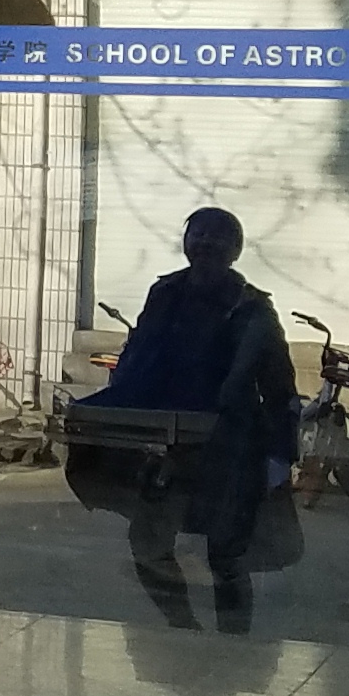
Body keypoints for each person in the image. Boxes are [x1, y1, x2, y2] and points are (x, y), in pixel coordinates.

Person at [84, 206, 300, 634]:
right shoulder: (164, 294)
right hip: (167, 445)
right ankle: (183, 629)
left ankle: (232, 645)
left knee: (227, 556)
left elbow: (280, 388)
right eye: (197, 234)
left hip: (229, 447)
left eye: (217, 237)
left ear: (235, 250)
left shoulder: (253, 309)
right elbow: (138, 359)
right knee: (147, 544)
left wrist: (279, 455)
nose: (205, 244)